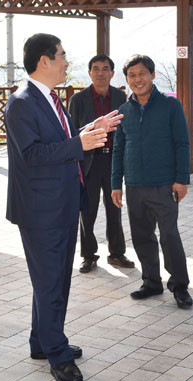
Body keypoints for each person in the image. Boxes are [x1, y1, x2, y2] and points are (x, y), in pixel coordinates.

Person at [5, 33, 121, 381]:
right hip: (41, 210)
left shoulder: (51, 99)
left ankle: (41, 342)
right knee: (51, 282)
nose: (67, 62)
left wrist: (91, 129)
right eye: (62, 55)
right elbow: (31, 154)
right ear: (44, 61)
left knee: (51, 280)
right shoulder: (21, 102)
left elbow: (63, 141)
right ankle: (58, 354)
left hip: (62, 203)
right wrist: (80, 143)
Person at [111, 54, 193, 309]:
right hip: (134, 185)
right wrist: (116, 184)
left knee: (169, 236)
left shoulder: (170, 105)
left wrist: (181, 179)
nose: (137, 79)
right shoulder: (124, 111)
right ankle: (151, 282)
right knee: (141, 236)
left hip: (164, 184)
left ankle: (180, 286)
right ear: (127, 80)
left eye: (142, 74)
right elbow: (118, 149)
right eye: (132, 75)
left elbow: (182, 143)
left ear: (152, 75)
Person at [69, 54, 135, 273]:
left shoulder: (121, 97)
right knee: (87, 210)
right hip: (89, 160)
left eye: (105, 69)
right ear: (89, 73)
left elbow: (127, 130)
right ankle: (88, 256)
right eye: (95, 69)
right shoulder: (78, 100)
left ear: (112, 73)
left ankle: (117, 253)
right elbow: (72, 133)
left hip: (113, 159)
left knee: (114, 207)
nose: (100, 73)